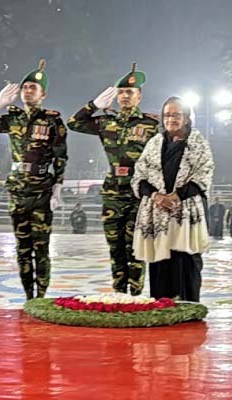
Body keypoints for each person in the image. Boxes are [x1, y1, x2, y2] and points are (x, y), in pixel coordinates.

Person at [0, 59, 68, 300]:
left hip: (41, 190)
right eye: (25, 87)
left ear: (43, 94)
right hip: (18, 189)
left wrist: (57, 188)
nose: (27, 91)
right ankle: (29, 296)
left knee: (41, 248)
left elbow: (60, 156)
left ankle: (42, 295)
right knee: (22, 248)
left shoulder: (52, 120)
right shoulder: (12, 117)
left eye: (33, 88)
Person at [67, 63, 159, 295]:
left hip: (139, 192)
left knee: (136, 245)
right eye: (121, 92)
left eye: (130, 92)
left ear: (139, 96)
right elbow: (73, 123)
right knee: (115, 245)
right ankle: (119, 292)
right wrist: (94, 105)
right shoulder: (106, 121)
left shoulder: (151, 124)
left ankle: (136, 294)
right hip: (112, 192)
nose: (125, 96)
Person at [132, 96, 214, 302]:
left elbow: (203, 174)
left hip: (185, 212)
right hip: (156, 211)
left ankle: (188, 306)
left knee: (186, 259)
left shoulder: (197, 143)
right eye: (167, 115)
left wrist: (176, 196)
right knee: (159, 261)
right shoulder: (154, 143)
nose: (170, 119)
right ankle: (161, 306)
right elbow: (139, 176)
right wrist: (156, 196)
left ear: (186, 118)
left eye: (176, 115)